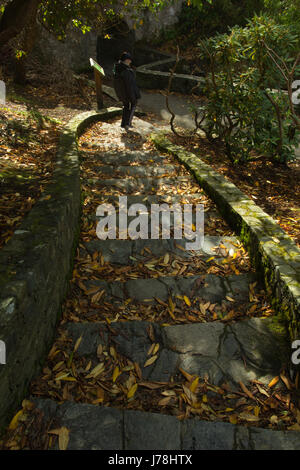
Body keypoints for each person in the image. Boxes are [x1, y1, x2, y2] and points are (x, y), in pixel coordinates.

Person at [113, 52, 141, 131]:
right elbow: (129, 86)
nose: (130, 62)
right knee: (132, 105)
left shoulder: (118, 68)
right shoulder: (126, 71)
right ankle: (127, 123)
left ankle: (123, 123)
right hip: (127, 93)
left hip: (122, 93)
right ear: (125, 60)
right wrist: (133, 97)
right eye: (129, 60)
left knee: (125, 107)